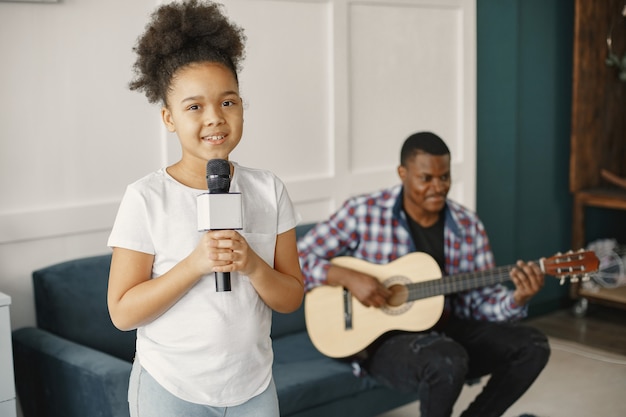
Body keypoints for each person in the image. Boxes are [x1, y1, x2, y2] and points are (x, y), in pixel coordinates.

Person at [106, 1, 304, 416]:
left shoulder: (269, 190)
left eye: (228, 102)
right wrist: (196, 264)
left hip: (254, 388)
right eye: (194, 106)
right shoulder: (145, 198)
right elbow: (123, 313)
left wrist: (252, 265)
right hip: (170, 389)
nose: (215, 118)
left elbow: (291, 297)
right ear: (169, 117)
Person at [298, 131, 550, 417]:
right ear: (402, 173)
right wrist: (347, 277)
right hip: (382, 343)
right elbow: (296, 257)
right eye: (426, 178)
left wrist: (518, 298)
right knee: (445, 359)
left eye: (444, 177)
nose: (438, 187)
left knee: (533, 345)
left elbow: (482, 303)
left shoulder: (467, 225)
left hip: (447, 328)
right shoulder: (363, 212)